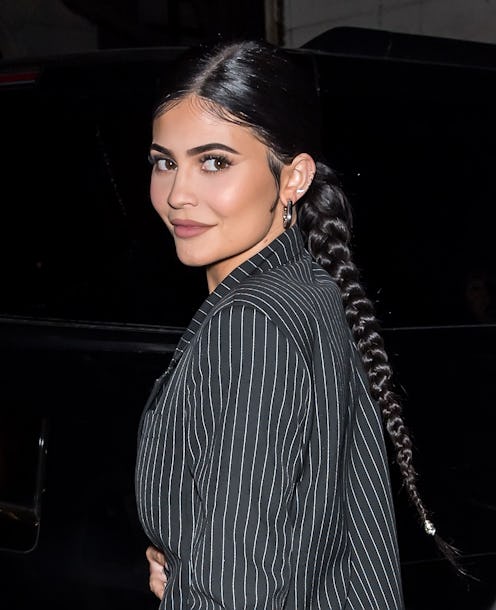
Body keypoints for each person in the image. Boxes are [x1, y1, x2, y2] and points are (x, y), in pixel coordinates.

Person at [135, 39, 456, 609]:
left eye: (214, 162)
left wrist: (197, 583)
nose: (178, 194)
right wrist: (185, 558)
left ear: (294, 177)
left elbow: (235, 588)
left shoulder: (251, 325)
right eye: (165, 162)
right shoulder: (314, 287)